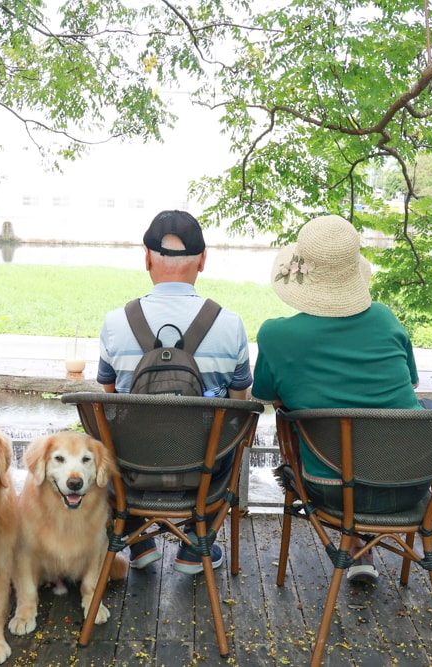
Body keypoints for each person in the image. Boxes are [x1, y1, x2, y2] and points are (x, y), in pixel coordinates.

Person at [250, 214, 432, 585]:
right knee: (423, 413)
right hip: (409, 484)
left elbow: (272, 400)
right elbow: (409, 388)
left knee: (344, 452)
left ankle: (354, 548)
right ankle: (429, 535)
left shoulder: (275, 335)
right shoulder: (385, 319)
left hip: (329, 488)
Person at [97, 209, 253, 574]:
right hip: (203, 476)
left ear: (147, 257)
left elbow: (108, 401)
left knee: (114, 433)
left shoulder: (116, 323)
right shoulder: (229, 324)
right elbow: (240, 407)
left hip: (133, 473)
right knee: (225, 435)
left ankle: (137, 539)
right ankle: (196, 543)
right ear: (203, 260)